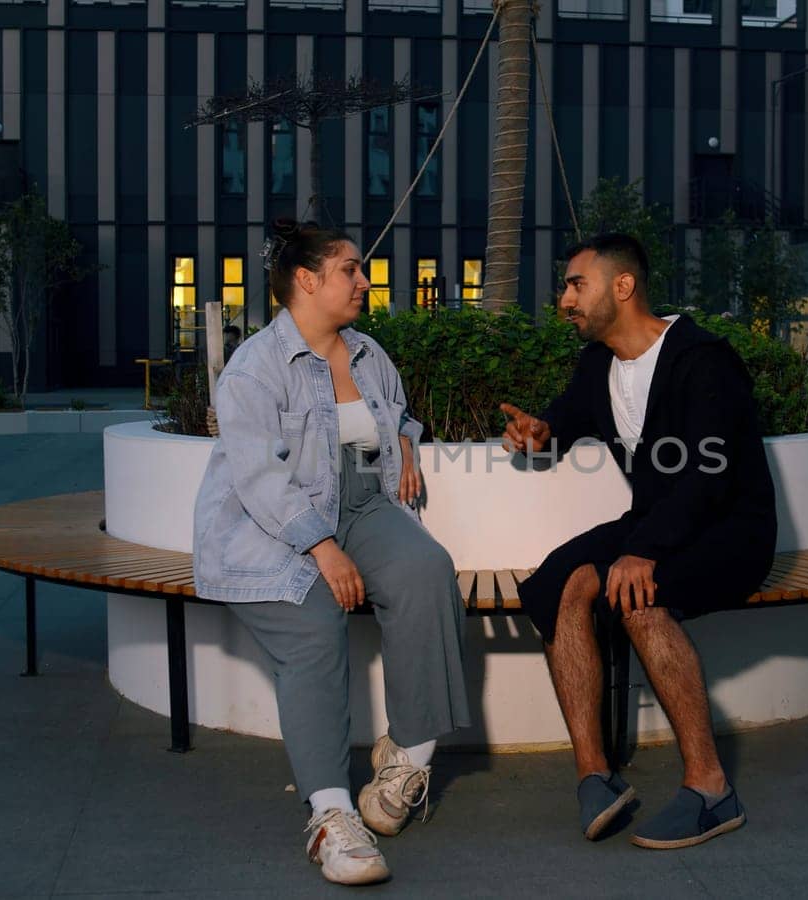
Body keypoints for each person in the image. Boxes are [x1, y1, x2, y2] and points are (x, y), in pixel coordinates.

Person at [193, 219, 471, 885]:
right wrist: (322, 547)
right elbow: (259, 477)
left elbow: (393, 410)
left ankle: (406, 759)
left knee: (427, 570)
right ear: (306, 281)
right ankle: (329, 814)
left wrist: (404, 441)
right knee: (316, 622)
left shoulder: (368, 352)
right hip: (272, 524)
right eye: (349, 268)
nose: (362, 279)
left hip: (364, 506)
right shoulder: (256, 367)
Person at [500, 233, 778, 850]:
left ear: (622, 287)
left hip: (732, 527)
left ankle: (711, 790)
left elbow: (711, 475)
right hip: (657, 520)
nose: (565, 299)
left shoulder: (704, 358)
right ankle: (595, 777)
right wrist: (536, 434)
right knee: (561, 583)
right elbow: (562, 425)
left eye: (577, 284)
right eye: (566, 287)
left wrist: (641, 549)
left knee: (637, 592)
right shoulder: (599, 363)